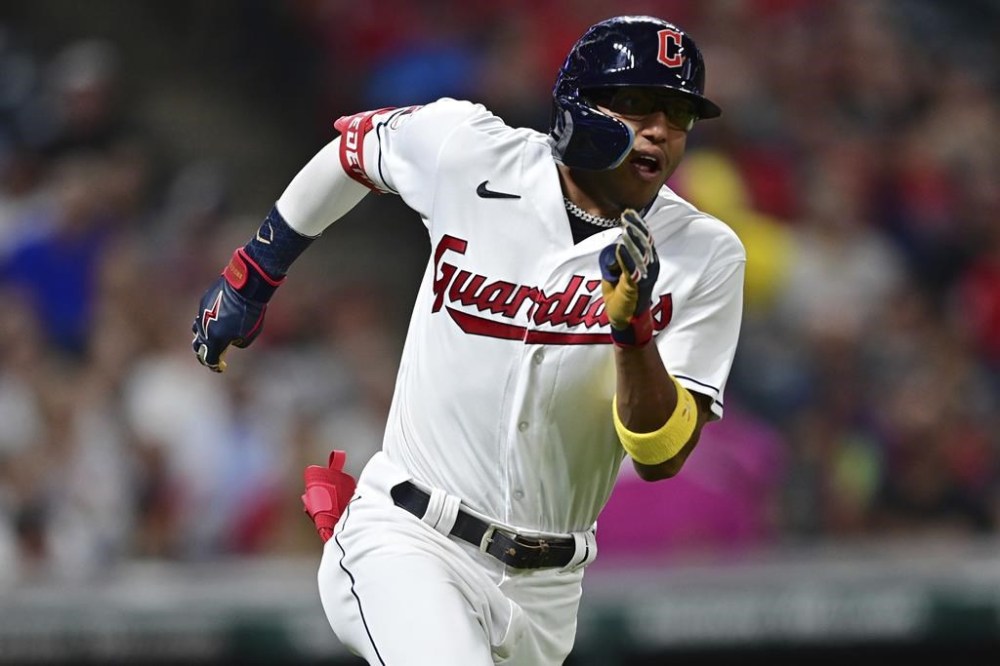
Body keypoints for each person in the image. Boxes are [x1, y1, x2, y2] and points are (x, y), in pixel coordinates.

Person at [191, 15, 745, 666]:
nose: (659, 129)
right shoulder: (468, 149)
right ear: (574, 104)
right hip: (410, 537)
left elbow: (661, 454)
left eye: (678, 114)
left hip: (548, 588)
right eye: (635, 104)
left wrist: (633, 334)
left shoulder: (704, 255)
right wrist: (254, 274)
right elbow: (352, 152)